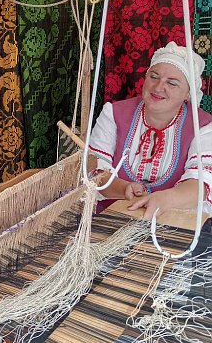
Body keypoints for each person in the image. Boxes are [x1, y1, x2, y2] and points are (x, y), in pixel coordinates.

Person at [89, 41, 212, 220]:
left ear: (188, 94)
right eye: (154, 76)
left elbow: (203, 182)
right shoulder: (114, 113)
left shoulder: (202, 126)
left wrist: (164, 199)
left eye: (172, 83)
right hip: (113, 217)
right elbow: (94, 172)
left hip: (175, 223)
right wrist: (123, 188)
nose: (158, 87)